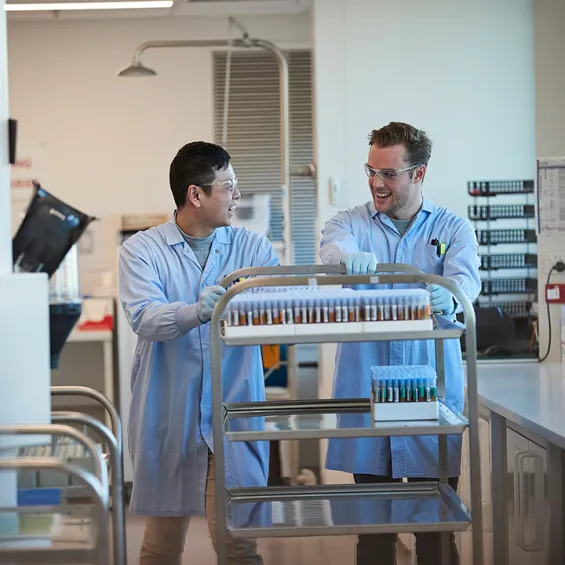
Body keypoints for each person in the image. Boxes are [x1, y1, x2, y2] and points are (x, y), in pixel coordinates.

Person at [319, 122, 481, 565]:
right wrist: (344, 259)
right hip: (368, 395)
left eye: (389, 174)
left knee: (435, 532)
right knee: (373, 535)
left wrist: (450, 293)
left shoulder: (452, 227)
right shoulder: (351, 222)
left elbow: (467, 281)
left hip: (430, 398)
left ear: (419, 174)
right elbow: (333, 245)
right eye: (371, 170)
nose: (376, 183)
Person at [119, 141, 278, 565]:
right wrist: (194, 312)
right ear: (196, 194)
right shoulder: (141, 251)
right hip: (171, 413)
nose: (237, 195)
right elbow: (144, 317)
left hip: (233, 412)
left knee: (239, 544)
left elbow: (278, 309)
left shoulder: (253, 248)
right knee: (161, 546)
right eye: (227, 186)